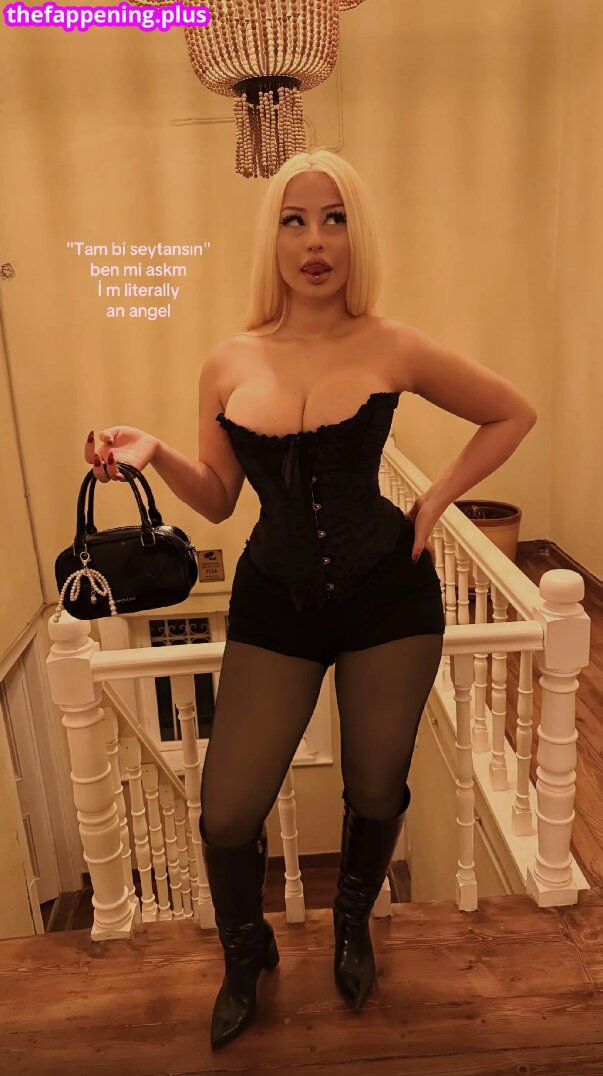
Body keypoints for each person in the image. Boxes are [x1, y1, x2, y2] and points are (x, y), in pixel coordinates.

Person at [84, 148, 533, 1050]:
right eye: (295, 221)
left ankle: (351, 923)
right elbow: (219, 499)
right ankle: (245, 950)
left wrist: (436, 502)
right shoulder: (228, 361)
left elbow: (510, 412)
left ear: (355, 235)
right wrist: (155, 453)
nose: (315, 241)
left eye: (334, 220)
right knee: (227, 810)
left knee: (374, 783)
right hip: (275, 600)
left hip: (386, 597)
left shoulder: (391, 344)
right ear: (273, 238)